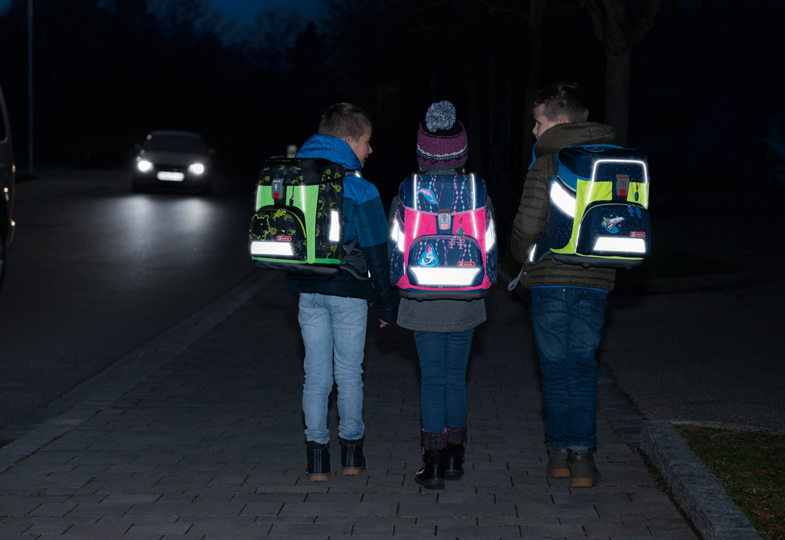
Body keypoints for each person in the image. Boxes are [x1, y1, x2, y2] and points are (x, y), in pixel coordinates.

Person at [510, 81, 616, 488]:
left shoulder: (547, 163)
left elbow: (526, 226)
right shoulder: (611, 157)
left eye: (538, 123)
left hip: (552, 281)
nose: (534, 132)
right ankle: (584, 460)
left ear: (558, 121)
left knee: (554, 369)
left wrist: (522, 254)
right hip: (595, 281)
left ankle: (557, 455)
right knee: (583, 368)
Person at [286, 102, 398, 481]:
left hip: (308, 292)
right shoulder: (362, 190)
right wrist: (387, 303)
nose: (369, 150)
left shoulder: (298, 181)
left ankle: (316, 458)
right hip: (350, 293)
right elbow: (376, 255)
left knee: (315, 375)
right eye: (366, 142)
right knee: (349, 373)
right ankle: (352, 454)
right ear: (349, 141)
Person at [392, 101, 489, 490]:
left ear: (422, 152)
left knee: (431, 379)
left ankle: (430, 463)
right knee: (456, 377)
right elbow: (491, 242)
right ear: (462, 151)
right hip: (466, 295)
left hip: (420, 297)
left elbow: (396, 244)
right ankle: (454, 458)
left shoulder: (409, 189)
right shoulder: (475, 188)